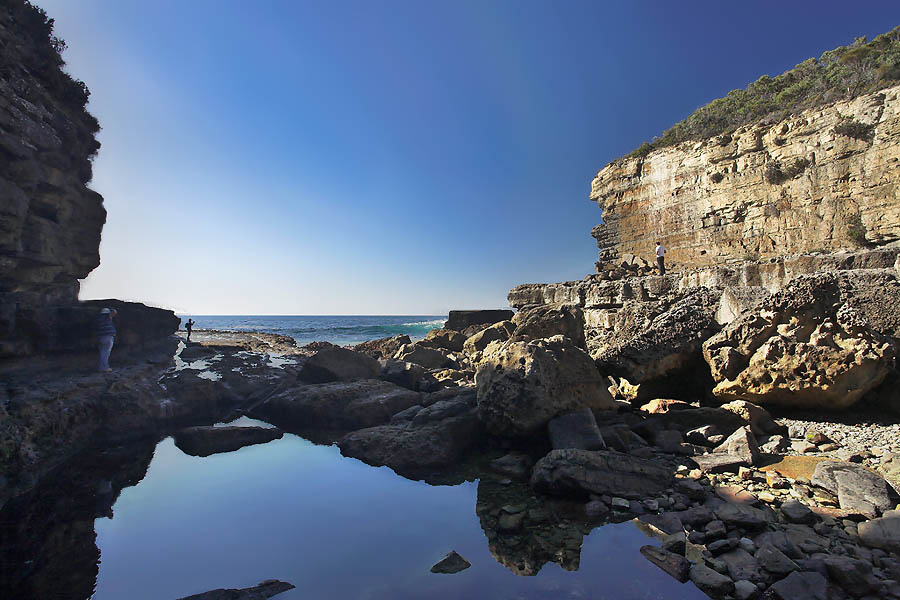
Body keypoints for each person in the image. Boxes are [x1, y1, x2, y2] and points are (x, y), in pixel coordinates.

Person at [96, 307, 117, 372]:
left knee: (102, 353)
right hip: (108, 337)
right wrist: (111, 310)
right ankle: (105, 367)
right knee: (106, 353)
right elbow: (115, 312)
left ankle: (101, 367)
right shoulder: (107, 318)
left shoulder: (99, 320)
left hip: (101, 337)